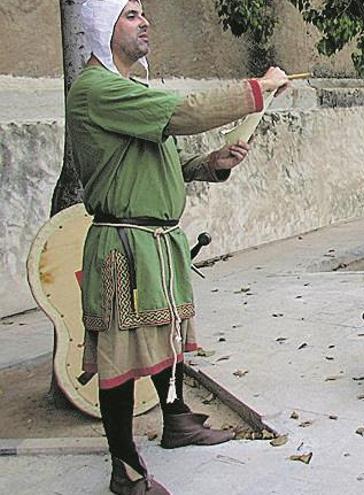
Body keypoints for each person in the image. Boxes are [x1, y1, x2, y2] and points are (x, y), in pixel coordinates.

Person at [66, 1, 290, 493]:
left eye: (143, 13)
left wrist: (212, 161)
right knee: (120, 359)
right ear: (103, 27)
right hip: (123, 246)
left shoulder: (129, 91)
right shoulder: (96, 89)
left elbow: (165, 160)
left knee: (166, 342)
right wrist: (259, 90)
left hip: (158, 243)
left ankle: (177, 419)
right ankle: (124, 469)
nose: (144, 22)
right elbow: (187, 112)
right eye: (130, 14)